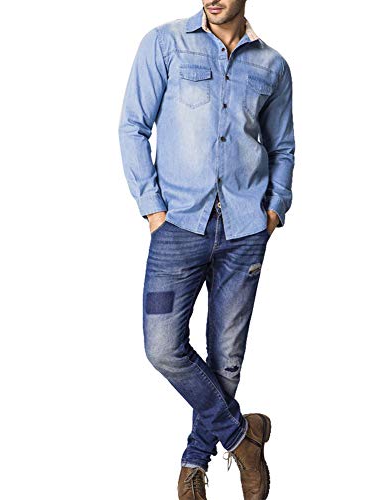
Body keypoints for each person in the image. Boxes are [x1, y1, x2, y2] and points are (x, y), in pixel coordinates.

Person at [118, 1, 295, 498]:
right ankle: (244, 438)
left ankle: (195, 461)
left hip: (245, 231)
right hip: (177, 226)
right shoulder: (164, 43)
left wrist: (274, 209)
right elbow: (133, 126)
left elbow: (282, 146)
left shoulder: (273, 65)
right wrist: (153, 209)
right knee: (162, 348)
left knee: (226, 359)